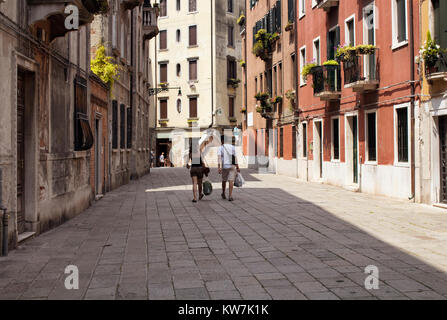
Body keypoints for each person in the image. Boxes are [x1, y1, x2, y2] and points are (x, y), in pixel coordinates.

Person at [218, 135, 240, 202]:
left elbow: (219, 158)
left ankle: (223, 193)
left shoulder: (220, 148)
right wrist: (238, 167)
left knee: (224, 180)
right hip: (232, 166)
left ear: (222, 141)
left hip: (225, 166)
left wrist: (219, 167)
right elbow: (235, 158)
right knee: (231, 181)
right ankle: (230, 196)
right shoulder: (233, 147)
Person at [186, 138, 208, 203]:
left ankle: (195, 198)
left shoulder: (190, 153)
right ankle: (200, 194)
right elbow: (202, 161)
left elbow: (189, 163)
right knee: (200, 183)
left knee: (194, 183)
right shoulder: (199, 150)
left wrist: (188, 165)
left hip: (193, 168)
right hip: (199, 168)